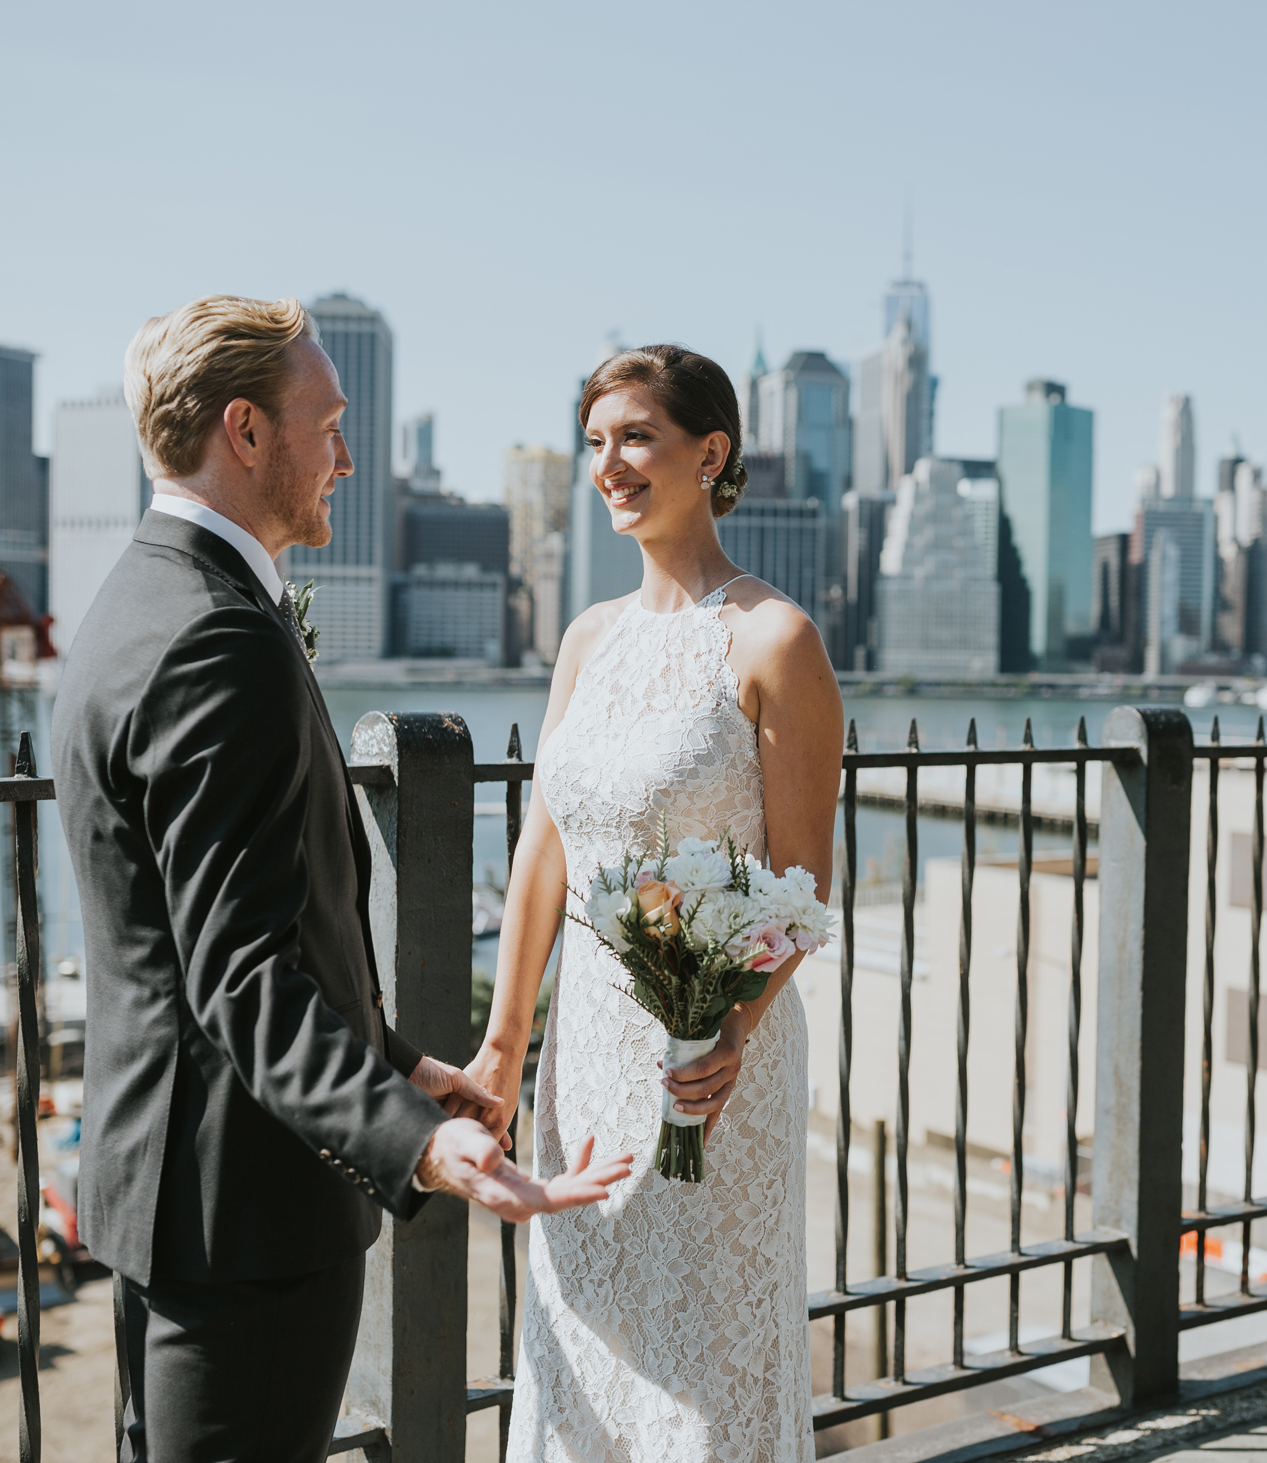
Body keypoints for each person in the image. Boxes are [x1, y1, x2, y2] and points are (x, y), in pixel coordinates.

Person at [51, 295, 631, 1462]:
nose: (348, 457)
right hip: (246, 1223)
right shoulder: (221, 639)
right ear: (246, 432)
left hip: (170, 1200)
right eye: (329, 424)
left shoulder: (132, 601)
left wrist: (404, 1062)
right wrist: (416, 1140)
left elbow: (197, 937)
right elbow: (242, 973)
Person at [466, 345, 843, 1461]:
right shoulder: (587, 635)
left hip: (711, 1066)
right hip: (582, 1054)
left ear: (709, 452)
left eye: (634, 436)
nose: (609, 464)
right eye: (595, 442)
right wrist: (502, 1045)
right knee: (582, 1347)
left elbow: (803, 883)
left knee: (704, 1368)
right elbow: (545, 848)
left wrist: (729, 1029)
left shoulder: (776, 638)